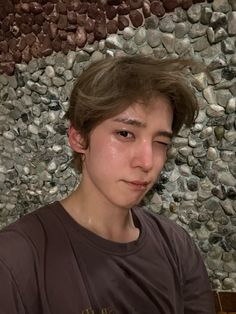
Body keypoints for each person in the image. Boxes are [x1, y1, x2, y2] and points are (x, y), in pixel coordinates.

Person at [0, 56, 215, 314]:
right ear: (79, 138)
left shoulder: (177, 247)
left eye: (160, 142)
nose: (147, 162)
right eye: (125, 134)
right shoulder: (15, 260)